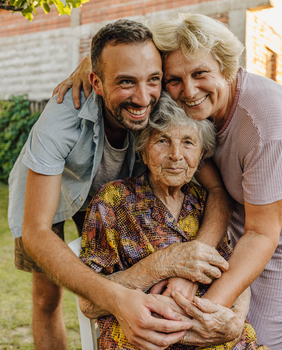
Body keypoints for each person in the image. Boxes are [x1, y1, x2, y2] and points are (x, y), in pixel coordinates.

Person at [56, 13, 282, 350]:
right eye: (174, 79)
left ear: (226, 68)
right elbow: (129, 46)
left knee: (258, 331)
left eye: (200, 74)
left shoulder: (267, 124)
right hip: (248, 208)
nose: (189, 90)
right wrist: (88, 66)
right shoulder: (193, 114)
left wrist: (205, 311)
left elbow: (261, 233)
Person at [8, 19, 247, 350]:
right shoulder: (61, 121)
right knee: (47, 297)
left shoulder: (156, 96)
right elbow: (37, 232)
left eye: (152, 80)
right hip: (50, 193)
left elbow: (217, 190)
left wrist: (194, 257)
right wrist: (116, 298)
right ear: (98, 82)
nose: (142, 96)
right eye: (124, 82)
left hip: (111, 194)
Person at [78, 91, 268, 350]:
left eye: (188, 142)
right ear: (143, 150)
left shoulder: (204, 205)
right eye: (162, 141)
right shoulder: (113, 202)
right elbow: (89, 302)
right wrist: (158, 267)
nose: (176, 154)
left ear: (201, 156)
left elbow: (233, 273)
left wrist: (235, 320)